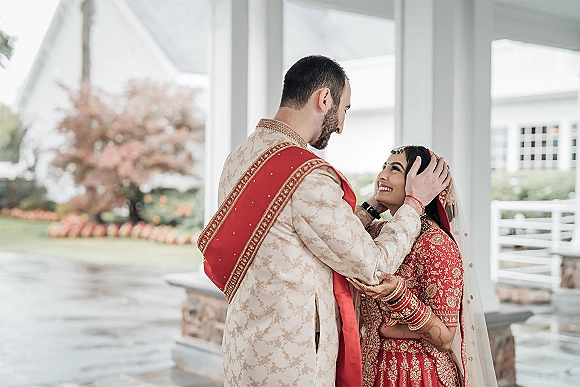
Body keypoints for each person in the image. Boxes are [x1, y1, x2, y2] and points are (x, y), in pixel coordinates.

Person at [197, 55, 449, 386]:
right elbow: (372, 265)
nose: (341, 126)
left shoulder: (239, 157)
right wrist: (414, 204)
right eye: (344, 110)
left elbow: (305, 235)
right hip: (292, 358)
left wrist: (369, 208)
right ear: (324, 99)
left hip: (245, 345)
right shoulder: (305, 174)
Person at [348, 145, 497, 387]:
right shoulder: (379, 231)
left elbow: (446, 337)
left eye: (395, 169)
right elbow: (341, 239)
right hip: (372, 367)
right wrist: (373, 204)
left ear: (420, 182)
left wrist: (398, 295)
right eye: (383, 167)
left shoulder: (435, 244)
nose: (382, 176)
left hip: (417, 373)